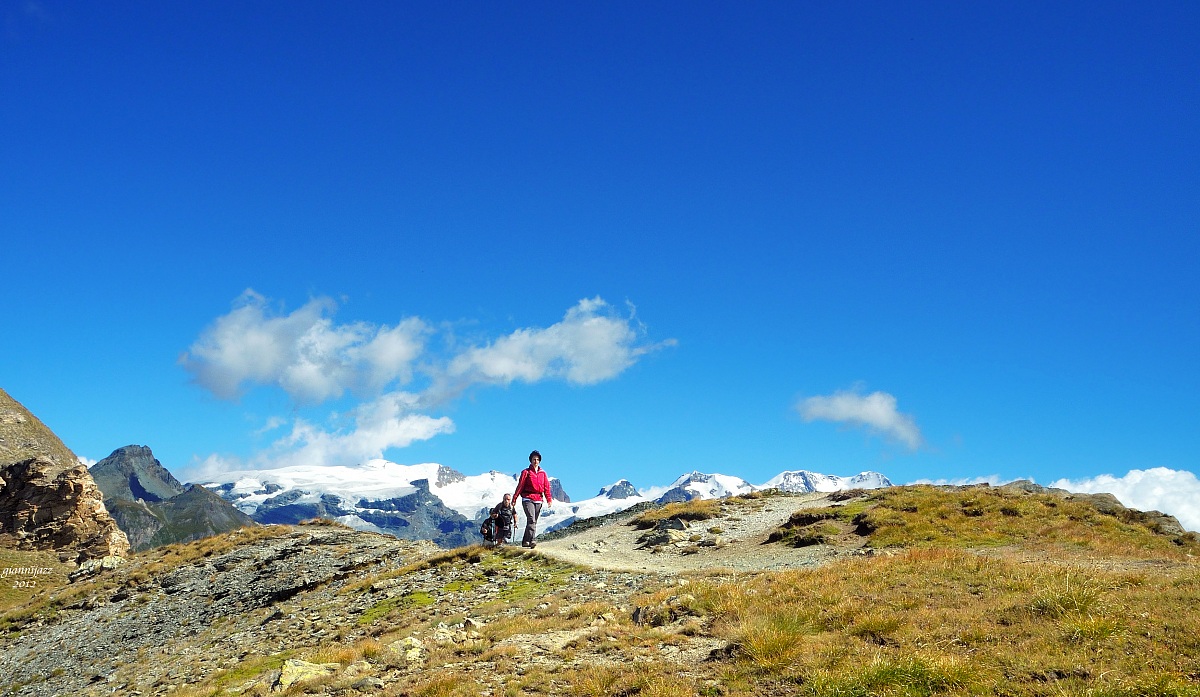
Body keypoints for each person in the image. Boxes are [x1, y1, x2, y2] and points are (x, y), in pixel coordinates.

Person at [512, 449, 552, 548]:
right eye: (534, 459)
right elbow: (520, 485)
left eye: (537, 459)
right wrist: (514, 498)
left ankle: (525, 541)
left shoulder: (543, 473)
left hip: (538, 499)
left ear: (539, 461)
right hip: (527, 498)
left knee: (533, 521)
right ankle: (532, 540)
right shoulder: (526, 472)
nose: (535, 461)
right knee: (531, 519)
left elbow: (546, 487)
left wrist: (549, 499)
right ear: (530, 460)